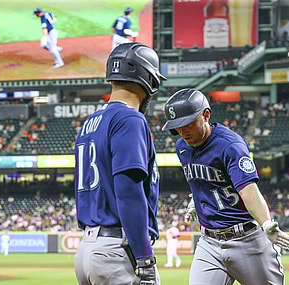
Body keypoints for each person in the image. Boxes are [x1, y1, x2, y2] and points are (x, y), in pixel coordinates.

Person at [161, 88, 289, 285]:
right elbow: (200, 182)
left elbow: (249, 191)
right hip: (209, 242)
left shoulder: (229, 145)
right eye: (177, 127)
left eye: (187, 123)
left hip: (247, 240)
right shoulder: (182, 147)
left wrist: (266, 223)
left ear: (206, 115)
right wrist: (195, 201)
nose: (182, 131)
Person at [74, 42, 167, 285]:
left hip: (88, 248)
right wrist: (144, 257)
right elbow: (128, 193)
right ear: (149, 79)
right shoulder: (129, 120)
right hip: (117, 249)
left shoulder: (89, 123)